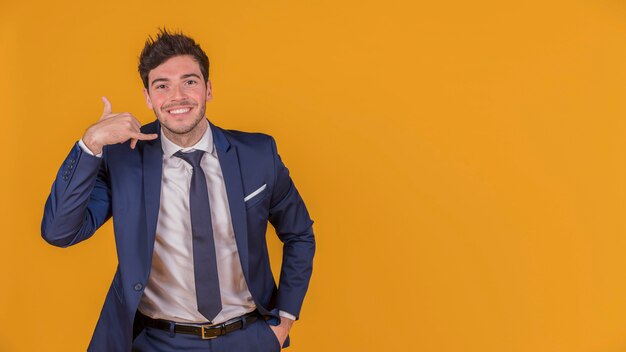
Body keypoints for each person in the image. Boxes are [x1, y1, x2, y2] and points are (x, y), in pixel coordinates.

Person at [41, 29, 315, 352]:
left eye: (189, 81)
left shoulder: (258, 155)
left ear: (208, 88)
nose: (177, 97)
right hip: (158, 341)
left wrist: (283, 323)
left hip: (248, 338)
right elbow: (59, 231)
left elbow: (299, 233)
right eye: (162, 86)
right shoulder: (124, 161)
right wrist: (91, 144)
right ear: (148, 97)